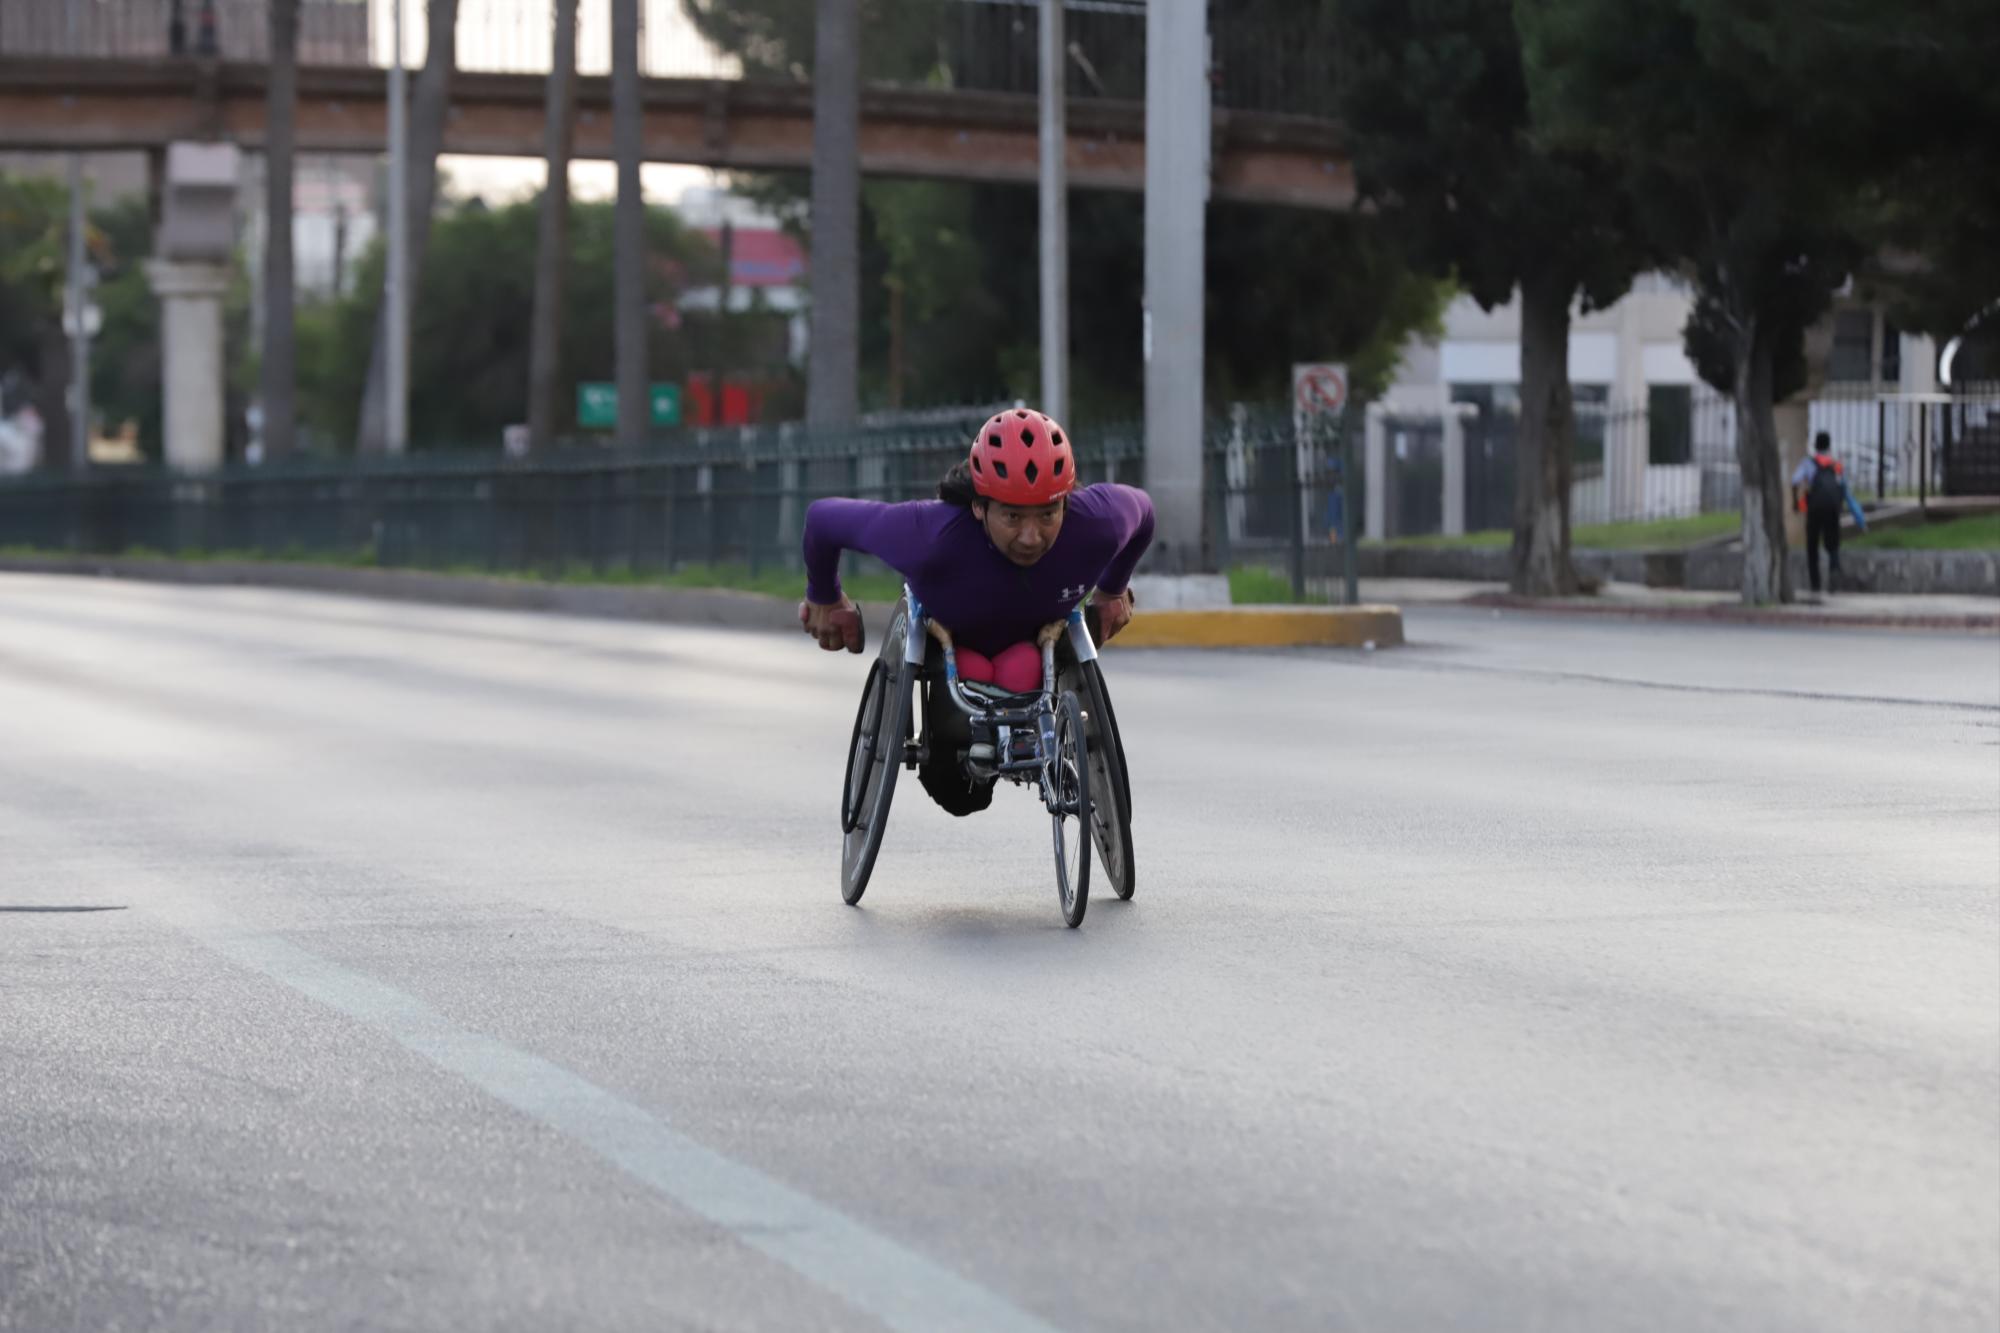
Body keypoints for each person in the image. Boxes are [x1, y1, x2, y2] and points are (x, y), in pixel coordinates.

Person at [799, 408, 1154, 815]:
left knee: (1021, 667)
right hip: (952, 646)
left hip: (1035, 648)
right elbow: (822, 520)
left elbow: (1144, 513)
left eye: (1047, 514)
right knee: (961, 797)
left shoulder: (1097, 522)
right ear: (979, 507)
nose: (1030, 536)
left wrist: (1111, 589)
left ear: (1066, 503)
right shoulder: (928, 536)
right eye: (1013, 516)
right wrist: (825, 596)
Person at [1790, 431, 1868, 593]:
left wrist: (1795, 503)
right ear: (1829, 446)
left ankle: (1815, 584)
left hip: (1814, 509)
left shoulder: (1808, 463)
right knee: (1833, 544)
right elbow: (1847, 494)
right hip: (1833, 509)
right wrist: (1860, 520)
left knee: (1812, 546)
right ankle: (1834, 572)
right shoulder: (1837, 466)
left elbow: (1794, 481)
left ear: (1815, 445)